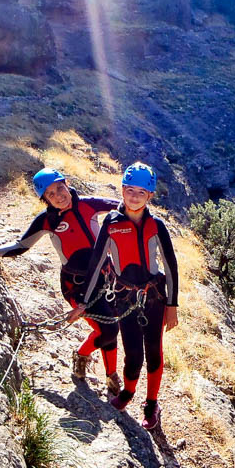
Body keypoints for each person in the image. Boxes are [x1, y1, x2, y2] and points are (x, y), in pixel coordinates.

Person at [0, 168, 122, 394]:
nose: (59, 195)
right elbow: (20, 246)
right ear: (45, 200)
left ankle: (110, 374)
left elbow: (125, 207)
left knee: (109, 324)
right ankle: (82, 354)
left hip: (105, 278)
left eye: (60, 187)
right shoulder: (46, 221)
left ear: (67, 183)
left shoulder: (89, 204)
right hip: (76, 285)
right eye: (50, 194)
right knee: (108, 329)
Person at [76, 162, 179, 430]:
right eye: (130, 190)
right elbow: (96, 263)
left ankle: (152, 404)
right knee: (133, 354)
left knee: (154, 353)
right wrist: (84, 302)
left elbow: (170, 266)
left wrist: (172, 306)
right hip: (124, 298)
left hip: (154, 297)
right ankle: (129, 392)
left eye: (141, 192)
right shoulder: (111, 222)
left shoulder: (157, 225)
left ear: (150, 197)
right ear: (122, 190)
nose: (134, 196)